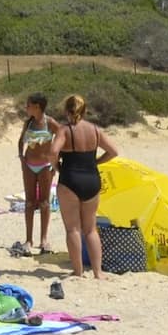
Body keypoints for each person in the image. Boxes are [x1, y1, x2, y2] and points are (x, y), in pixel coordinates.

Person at [52, 94, 120, 281]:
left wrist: (57, 166)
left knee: (72, 229)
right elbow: (113, 152)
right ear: (85, 110)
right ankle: (98, 272)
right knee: (90, 229)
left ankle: (78, 271)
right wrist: (97, 162)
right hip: (91, 178)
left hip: (70, 179)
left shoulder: (64, 130)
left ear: (66, 110)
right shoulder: (94, 130)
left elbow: (53, 152)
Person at [15, 92, 59, 254]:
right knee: (29, 202)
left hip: (45, 165)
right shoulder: (29, 123)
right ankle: (28, 239)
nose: (26, 108)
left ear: (37, 106)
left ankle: (44, 239)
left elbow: (62, 140)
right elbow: (21, 141)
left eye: (28, 105)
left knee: (45, 202)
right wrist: (21, 157)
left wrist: (55, 163)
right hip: (29, 164)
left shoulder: (50, 122)